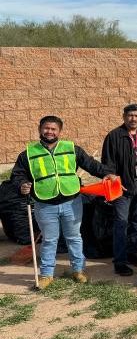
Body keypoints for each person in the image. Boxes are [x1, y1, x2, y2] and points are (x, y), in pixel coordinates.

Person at [11, 115, 117, 288]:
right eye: (46, 128)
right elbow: (17, 174)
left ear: (59, 131)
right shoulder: (28, 154)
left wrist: (107, 173)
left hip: (72, 202)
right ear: (40, 129)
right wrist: (22, 184)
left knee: (74, 237)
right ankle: (46, 274)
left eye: (53, 129)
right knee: (49, 240)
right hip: (44, 205)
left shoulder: (71, 148)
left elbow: (90, 164)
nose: (49, 131)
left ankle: (78, 270)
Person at [102, 103, 137, 277]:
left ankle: (132, 253)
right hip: (122, 186)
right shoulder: (114, 136)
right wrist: (113, 180)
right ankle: (119, 261)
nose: (133, 119)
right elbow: (108, 163)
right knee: (121, 223)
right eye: (130, 115)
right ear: (124, 116)